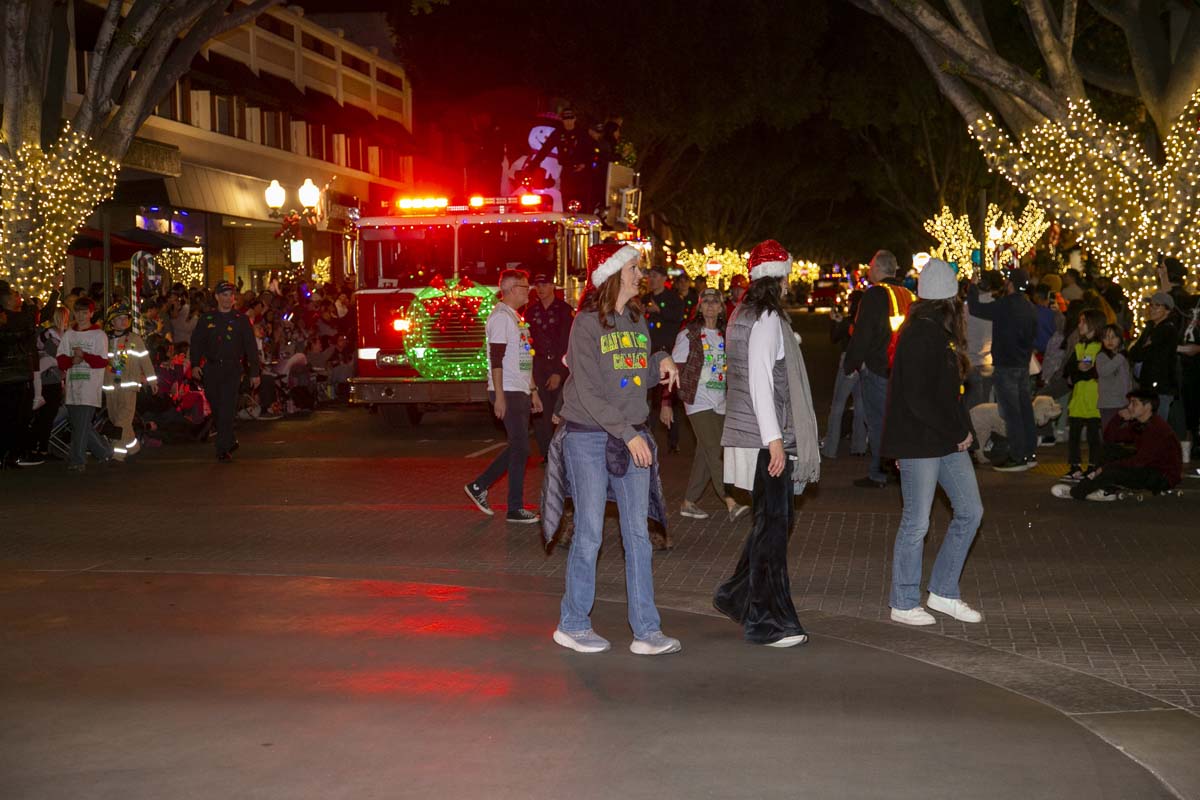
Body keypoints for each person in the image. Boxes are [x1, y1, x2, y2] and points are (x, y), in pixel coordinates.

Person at [544, 241, 682, 655]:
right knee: (588, 531)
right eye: (634, 269)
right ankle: (572, 622)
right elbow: (587, 390)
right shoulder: (586, 323)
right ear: (613, 274)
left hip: (629, 433)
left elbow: (634, 373)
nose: (641, 275)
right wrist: (628, 432)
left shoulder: (637, 318)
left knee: (637, 535)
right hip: (588, 435)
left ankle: (646, 630)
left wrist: (660, 360)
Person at [714, 240, 821, 648]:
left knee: (771, 521)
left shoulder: (742, 312)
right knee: (775, 525)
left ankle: (735, 594)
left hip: (749, 432)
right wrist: (776, 442)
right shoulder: (768, 318)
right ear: (778, 276)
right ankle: (768, 621)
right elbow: (760, 381)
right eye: (788, 274)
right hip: (765, 437)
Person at [881, 259, 984, 627]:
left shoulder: (935, 332)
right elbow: (919, 398)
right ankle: (904, 600)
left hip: (942, 440)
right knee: (916, 522)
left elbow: (947, 395)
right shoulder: (921, 334)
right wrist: (959, 432)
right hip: (922, 442)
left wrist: (962, 431)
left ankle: (943, 591)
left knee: (970, 512)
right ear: (950, 298)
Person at [661, 288, 748, 520]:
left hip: (720, 401)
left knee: (705, 452)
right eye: (705, 301)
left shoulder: (724, 334)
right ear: (699, 306)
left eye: (715, 301)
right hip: (696, 399)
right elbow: (674, 370)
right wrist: (666, 402)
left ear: (721, 307)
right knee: (714, 448)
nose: (710, 305)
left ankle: (689, 502)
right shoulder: (688, 334)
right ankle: (730, 500)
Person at [464, 269, 543, 524]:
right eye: (524, 286)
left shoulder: (515, 319)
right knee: (520, 447)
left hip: (518, 389)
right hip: (507, 389)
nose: (528, 291)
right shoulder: (500, 318)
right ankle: (512, 506)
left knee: (519, 447)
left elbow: (523, 359)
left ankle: (481, 488)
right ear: (510, 289)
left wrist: (533, 390)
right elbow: (495, 359)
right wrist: (499, 395)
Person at [843, 249, 913, 488]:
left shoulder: (874, 295)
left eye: (871, 266)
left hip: (878, 369)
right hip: (902, 370)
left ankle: (880, 471)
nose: (868, 270)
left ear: (879, 269)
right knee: (897, 421)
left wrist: (851, 363)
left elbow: (863, 334)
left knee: (877, 423)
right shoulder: (908, 295)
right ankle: (898, 468)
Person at [967, 267, 1039, 471]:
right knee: (1025, 410)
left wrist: (972, 286)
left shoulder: (1005, 305)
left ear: (1011, 284)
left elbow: (975, 309)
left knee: (1011, 412)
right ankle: (1029, 452)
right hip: (1022, 365)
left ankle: (1017, 456)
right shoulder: (1030, 307)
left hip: (1005, 365)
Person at [1051, 390, 1181, 501]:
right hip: (1150, 465)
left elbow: (1140, 461)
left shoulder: (1156, 428)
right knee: (1109, 451)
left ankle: (1077, 493)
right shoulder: (1141, 424)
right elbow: (1110, 438)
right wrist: (1118, 417)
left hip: (1162, 476)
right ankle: (1103, 489)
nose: (1129, 407)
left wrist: (1106, 467)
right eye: (1130, 402)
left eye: (1134, 403)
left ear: (1147, 406)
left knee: (1113, 470)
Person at [190, 280, 260, 462]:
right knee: (217, 407)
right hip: (212, 369)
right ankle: (229, 439)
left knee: (227, 408)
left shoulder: (241, 320)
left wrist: (254, 372)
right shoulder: (207, 319)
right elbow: (197, 343)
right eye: (224, 295)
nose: (228, 299)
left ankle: (222, 448)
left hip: (232, 369)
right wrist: (195, 364)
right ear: (217, 297)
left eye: (231, 295)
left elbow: (251, 347)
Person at [56, 297, 115, 471]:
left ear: (91, 313)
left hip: (89, 387)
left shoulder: (99, 335)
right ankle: (104, 451)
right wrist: (72, 360)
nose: (81, 316)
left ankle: (78, 460)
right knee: (80, 425)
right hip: (73, 386)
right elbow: (61, 359)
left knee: (80, 425)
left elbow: (101, 361)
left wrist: (84, 356)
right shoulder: (69, 334)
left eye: (84, 312)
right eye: (78, 312)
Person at [526, 272, 573, 459]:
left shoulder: (564, 310)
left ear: (553, 286)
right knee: (540, 414)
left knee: (561, 412)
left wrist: (559, 373)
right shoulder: (530, 312)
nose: (541, 289)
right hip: (538, 367)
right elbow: (528, 344)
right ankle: (547, 454)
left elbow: (567, 343)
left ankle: (562, 453)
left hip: (559, 367)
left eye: (545, 284)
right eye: (538, 285)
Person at [103, 305, 157, 458]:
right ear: (111, 322)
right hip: (110, 387)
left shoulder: (134, 339)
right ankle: (133, 447)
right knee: (116, 419)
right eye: (119, 318)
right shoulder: (105, 339)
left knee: (122, 421)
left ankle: (117, 454)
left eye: (125, 318)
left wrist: (152, 380)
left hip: (129, 387)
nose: (123, 321)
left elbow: (145, 360)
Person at [643, 264, 686, 452]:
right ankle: (647, 434)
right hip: (649, 352)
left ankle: (673, 440)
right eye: (649, 276)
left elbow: (678, 317)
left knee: (668, 396)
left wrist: (659, 311)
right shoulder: (644, 298)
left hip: (667, 353)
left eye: (655, 276)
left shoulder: (672, 298)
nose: (651, 279)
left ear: (663, 278)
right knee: (649, 397)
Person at [820, 289, 868, 458]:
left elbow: (834, 337)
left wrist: (833, 321)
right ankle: (859, 446)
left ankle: (830, 448)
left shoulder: (849, 322)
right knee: (860, 405)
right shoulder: (864, 321)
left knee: (838, 405)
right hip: (863, 364)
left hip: (848, 363)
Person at [1061, 309, 1107, 481]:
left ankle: (1093, 466)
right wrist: (1078, 371)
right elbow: (1069, 368)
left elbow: (1084, 368)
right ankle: (1075, 466)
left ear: (1093, 324)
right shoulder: (1080, 345)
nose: (1079, 325)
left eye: (1082, 321)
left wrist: (1078, 372)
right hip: (1079, 398)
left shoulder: (1098, 347)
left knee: (1093, 435)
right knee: (1074, 435)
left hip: (1093, 398)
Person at [1127, 291, 1180, 427]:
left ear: (1167, 310)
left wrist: (1144, 347)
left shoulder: (1167, 329)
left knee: (1158, 425)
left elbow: (1147, 353)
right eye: (1151, 305)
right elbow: (1134, 354)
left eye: (1157, 306)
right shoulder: (1150, 327)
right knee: (1148, 424)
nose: (1152, 309)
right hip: (1147, 384)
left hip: (1161, 386)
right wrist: (1144, 347)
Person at [0, 284, 38, 469]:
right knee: (19, 416)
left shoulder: (6, 319)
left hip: (6, 375)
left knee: (7, 416)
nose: (19, 297)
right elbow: (29, 329)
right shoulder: (18, 318)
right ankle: (14, 453)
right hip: (17, 374)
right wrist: (31, 307)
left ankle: (6, 453)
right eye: (16, 294)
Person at [1096, 323, 1132, 429]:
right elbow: (1104, 371)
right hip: (1108, 404)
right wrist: (1120, 356)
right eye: (1106, 337)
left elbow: (1127, 379)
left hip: (1123, 402)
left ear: (1120, 339)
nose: (1110, 341)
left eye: (1113, 337)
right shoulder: (1102, 356)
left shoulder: (1123, 358)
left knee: (1122, 432)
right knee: (1109, 431)